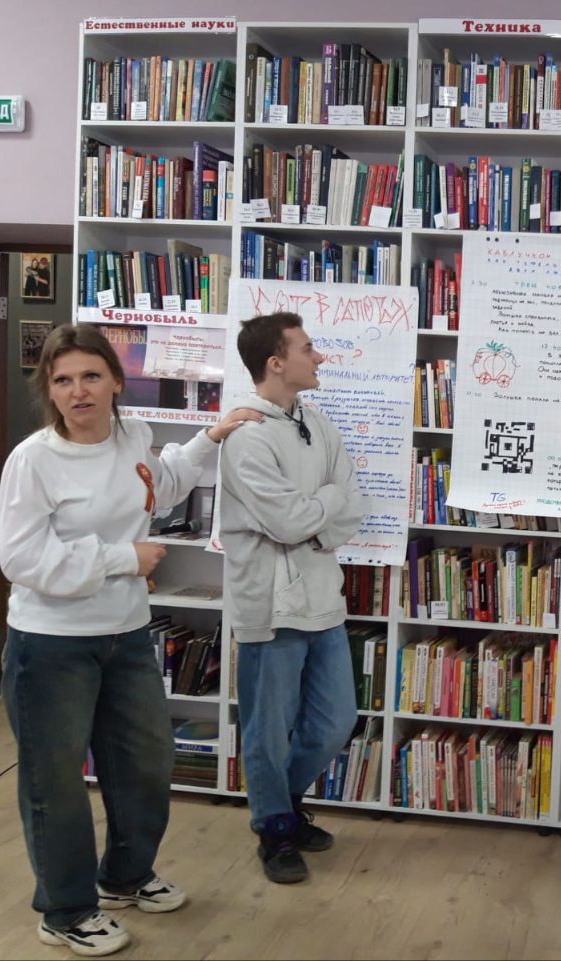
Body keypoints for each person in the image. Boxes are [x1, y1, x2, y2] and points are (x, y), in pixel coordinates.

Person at [0, 323, 258, 957]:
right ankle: (65, 911)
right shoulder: (33, 460)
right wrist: (123, 558)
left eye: (91, 376)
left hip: (127, 634)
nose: (78, 391)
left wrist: (209, 438)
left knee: (145, 764)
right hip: (50, 645)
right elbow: (21, 559)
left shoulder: (132, 435)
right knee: (55, 784)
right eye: (62, 380)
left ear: (116, 381)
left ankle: (124, 877)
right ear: (49, 391)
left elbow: (158, 485)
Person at [220, 312, 365, 885]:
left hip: (323, 595)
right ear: (275, 363)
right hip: (270, 603)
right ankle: (275, 827)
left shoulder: (318, 422)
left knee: (336, 720)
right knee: (267, 725)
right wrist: (321, 510)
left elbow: (350, 503)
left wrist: (317, 524)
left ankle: (281, 800)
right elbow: (286, 522)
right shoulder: (247, 436)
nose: (319, 357)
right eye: (308, 348)